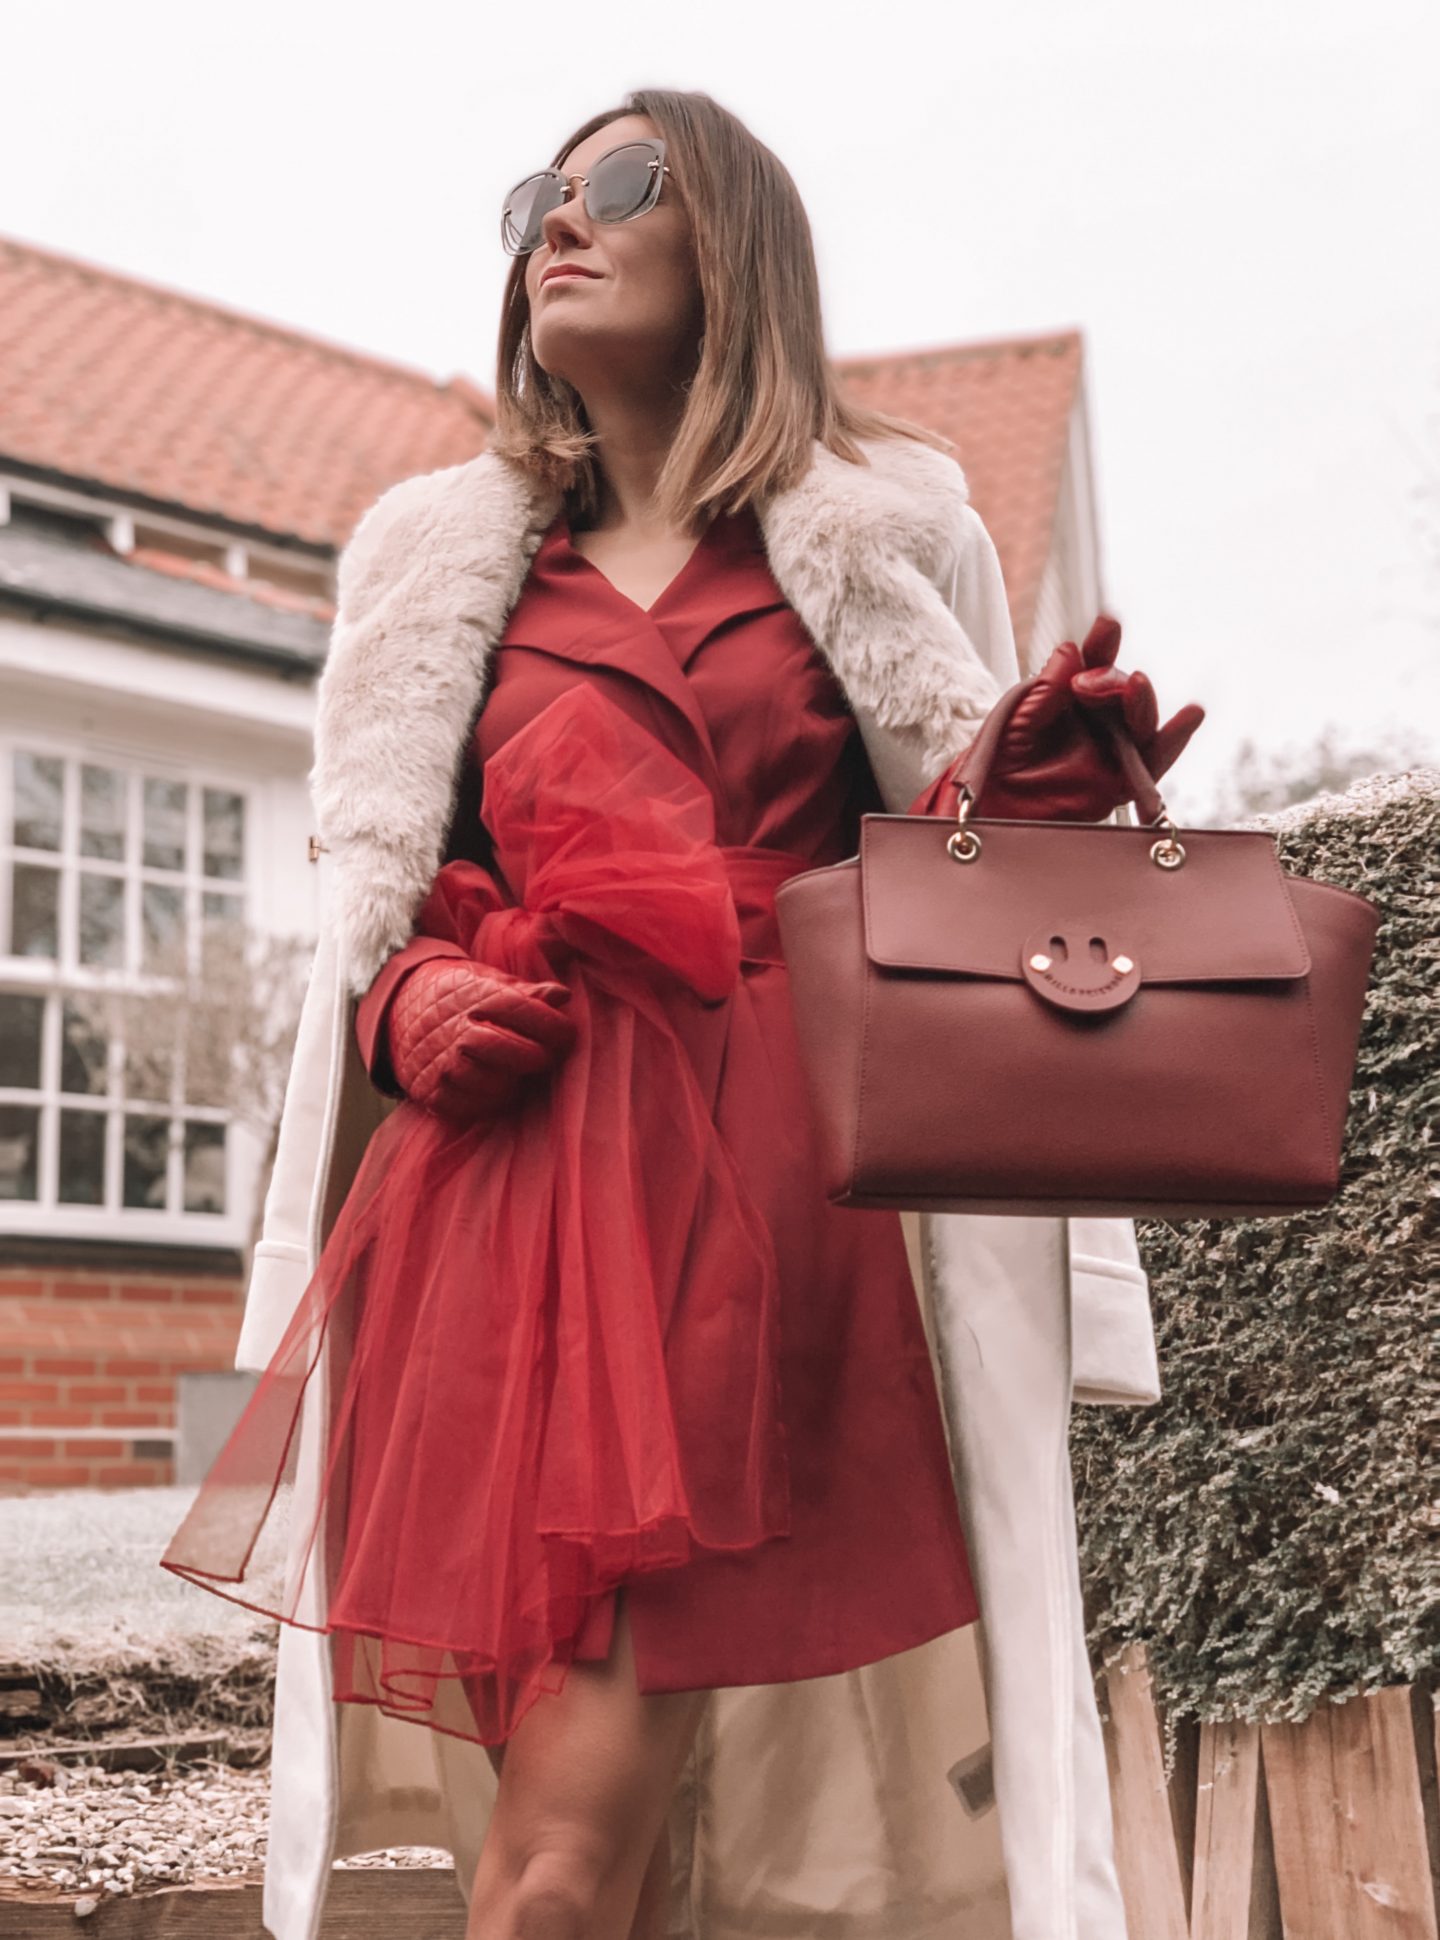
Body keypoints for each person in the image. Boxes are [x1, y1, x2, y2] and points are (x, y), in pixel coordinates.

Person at [162, 89, 1201, 1940]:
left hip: (762, 1227)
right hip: (497, 1226)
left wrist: (1028, 801)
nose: (559, 223)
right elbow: (385, 891)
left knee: (566, 1859)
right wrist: (404, 998)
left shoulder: (892, 528)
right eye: (536, 200)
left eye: (620, 185)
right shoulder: (425, 561)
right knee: (590, 1857)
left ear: (738, 242)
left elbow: (952, 890)